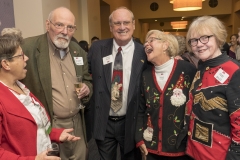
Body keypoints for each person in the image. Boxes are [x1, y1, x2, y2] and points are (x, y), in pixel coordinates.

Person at [21, 7, 93, 160]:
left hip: (77, 125)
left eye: (70, 27)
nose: (65, 32)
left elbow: (87, 79)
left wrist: (87, 88)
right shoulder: (29, 47)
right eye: (59, 25)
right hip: (50, 125)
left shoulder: (77, 50)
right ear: (48, 25)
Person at [0, 33, 80, 160]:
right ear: (6, 64)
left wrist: (55, 134)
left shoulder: (21, 87)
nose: (26, 58)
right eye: (20, 55)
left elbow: (33, 125)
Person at [88, 6, 147, 160]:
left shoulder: (145, 53)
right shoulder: (97, 49)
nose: (122, 27)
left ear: (133, 25)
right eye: (117, 23)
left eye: (126, 22)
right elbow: (84, 75)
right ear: (111, 27)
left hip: (130, 122)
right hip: (104, 121)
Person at [185, 16, 240, 160]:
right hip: (195, 152)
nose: (199, 44)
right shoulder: (201, 69)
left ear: (218, 38)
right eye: (194, 40)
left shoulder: (234, 71)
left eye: (205, 38)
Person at [135, 30, 196, 160]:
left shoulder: (188, 70)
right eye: (145, 41)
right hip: (151, 147)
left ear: (165, 45)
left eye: (151, 40)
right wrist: (139, 139)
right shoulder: (145, 75)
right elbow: (140, 109)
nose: (146, 44)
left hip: (181, 149)